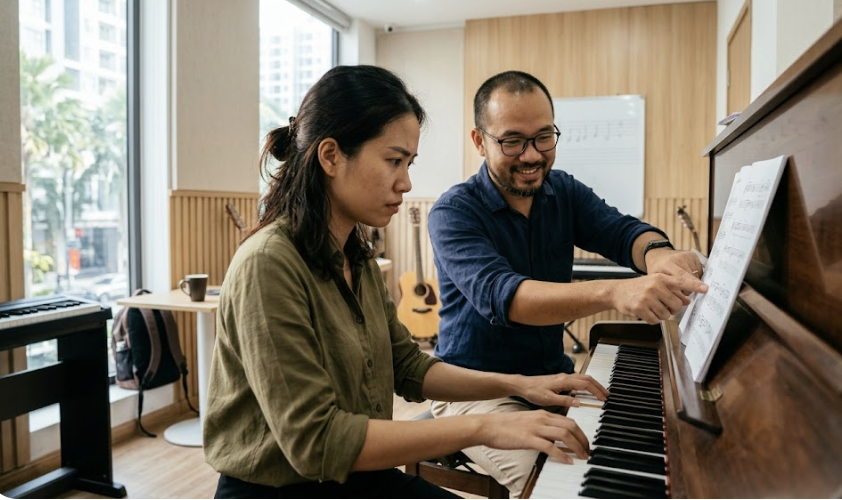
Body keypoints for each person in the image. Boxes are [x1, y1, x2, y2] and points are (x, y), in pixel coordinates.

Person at [203, 65, 609, 499]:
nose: (406, 182)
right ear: (331, 156)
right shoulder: (268, 263)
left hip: (359, 477)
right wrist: (487, 425)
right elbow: (316, 442)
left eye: (409, 162)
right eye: (394, 160)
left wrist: (516, 385)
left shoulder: (357, 258)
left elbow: (407, 366)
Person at [427, 70, 708, 497]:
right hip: (474, 391)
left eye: (544, 137)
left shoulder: (564, 192)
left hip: (549, 378)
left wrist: (661, 256)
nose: (532, 155)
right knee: (562, 477)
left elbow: (621, 232)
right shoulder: (453, 213)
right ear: (479, 141)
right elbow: (508, 299)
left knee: (638, 440)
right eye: (512, 141)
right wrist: (614, 291)